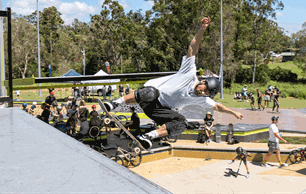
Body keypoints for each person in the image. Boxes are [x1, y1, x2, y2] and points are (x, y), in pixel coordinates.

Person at [103, 17, 243, 150]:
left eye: (206, 93)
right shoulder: (189, 72)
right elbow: (193, 48)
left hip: (158, 111)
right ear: (203, 81)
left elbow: (217, 106)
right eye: (204, 89)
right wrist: (202, 29)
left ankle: (148, 136)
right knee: (152, 92)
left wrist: (233, 112)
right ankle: (115, 103)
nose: (203, 93)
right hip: (149, 96)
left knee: (182, 122)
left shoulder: (202, 99)